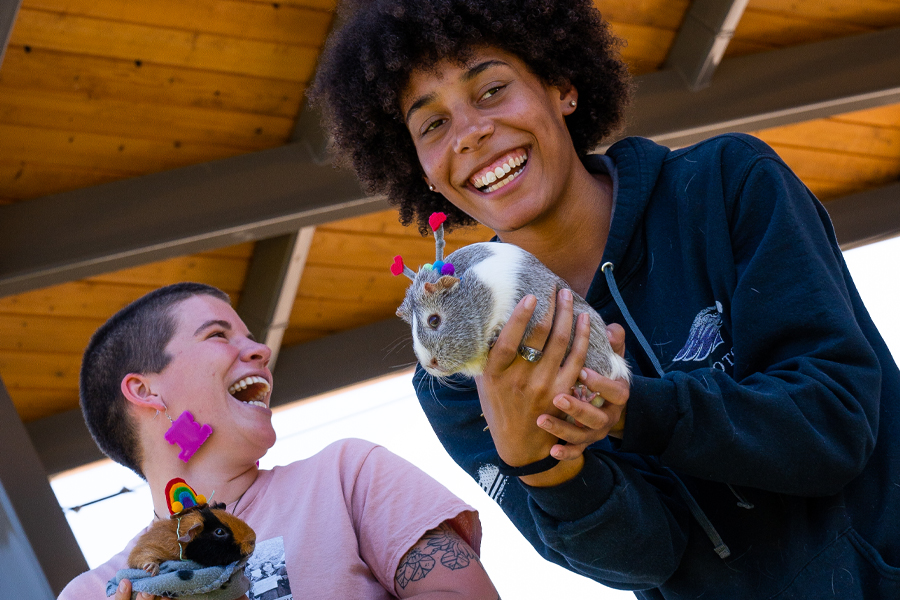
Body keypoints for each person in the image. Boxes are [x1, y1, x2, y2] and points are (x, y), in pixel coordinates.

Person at [311, 0, 900, 598]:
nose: (470, 133)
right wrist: (543, 468)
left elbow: (835, 426)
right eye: (431, 124)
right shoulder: (462, 373)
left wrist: (629, 409)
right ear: (424, 173)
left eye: (490, 90)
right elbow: (645, 560)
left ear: (562, 88)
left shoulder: (724, 186)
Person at [59, 282, 499, 600]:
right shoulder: (92, 594)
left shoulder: (348, 475)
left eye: (250, 337)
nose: (261, 351)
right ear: (145, 391)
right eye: (217, 335)